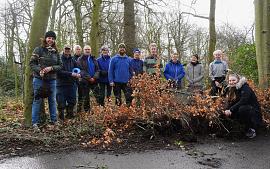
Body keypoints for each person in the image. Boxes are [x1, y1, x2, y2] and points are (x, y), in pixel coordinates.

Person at [29, 31, 63, 130]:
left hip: (52, 80)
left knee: (52, 100)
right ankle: (35, 123)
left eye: (52, 39)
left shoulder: (56, 51)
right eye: (49, 38)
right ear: (45, 38)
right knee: (37, 100)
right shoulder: (38, 49)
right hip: (39, 79)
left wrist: (51, 68)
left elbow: (60, 65)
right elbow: (32, 63)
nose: (50, 40)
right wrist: (40, 70)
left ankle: (54, 121)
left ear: (54, 40)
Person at [223, 74, 262, 138]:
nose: (231, 82)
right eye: (230, 80)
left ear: (238, 80)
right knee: (234, 111)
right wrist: (226, 110)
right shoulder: (233, 88)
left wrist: (231, 109)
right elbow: (232, 102)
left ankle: (252, 129)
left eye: (233, 80)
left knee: (242, 109)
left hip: (253, 112)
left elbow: (243, 101)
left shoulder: (245, 88)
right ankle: (241, 128)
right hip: (242, 109)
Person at [56, 44, 81, 120]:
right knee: (61, 102)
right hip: (61, 84)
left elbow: (78, 69)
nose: (67, 50)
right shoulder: (59, 59)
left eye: (69, 49)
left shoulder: (73, 59)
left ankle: (70, 116)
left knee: (72, 101)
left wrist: (78, 74)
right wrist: (71, 74)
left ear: (71, 50)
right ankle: (61, 118)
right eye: (66, 49)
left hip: (71, 84)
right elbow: (59, 72)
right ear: (63, 49)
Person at [77, 45, 101, 112]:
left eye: (89, 49)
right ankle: (87, 111)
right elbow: (81, 70)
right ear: (83, 50)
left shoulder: (94, 59)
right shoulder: (80, 59)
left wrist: (94, 77)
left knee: (98, 96)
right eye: (86, 49)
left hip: (94, 80)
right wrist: (89, 78)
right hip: (85, 81)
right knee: (86, 97)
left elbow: (98, 70)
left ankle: (100, 109)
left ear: (90, 50)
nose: (87, 50)